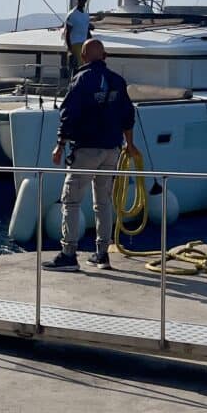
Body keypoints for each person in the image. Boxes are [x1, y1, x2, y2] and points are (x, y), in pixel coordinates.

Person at [44, 40, 138, 271]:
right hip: (112, 150)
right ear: (104, 56)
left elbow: (68, 113)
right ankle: (102, 254)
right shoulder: (117, 80)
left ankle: (68, 255)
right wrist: (130, 144)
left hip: (86, 149)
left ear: (84, 56)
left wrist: (59, 144)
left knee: (72, 201)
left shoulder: (81, 79)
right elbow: (128, 115)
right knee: (103, 202)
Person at [61, 0, 91, 68]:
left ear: (85, 0)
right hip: (75, 44)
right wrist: (70, 50)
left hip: (84, 44)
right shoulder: (72, 14)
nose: (81, 1)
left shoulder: (86, 15)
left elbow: (87, 32)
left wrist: (92, 43)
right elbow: (67, 33)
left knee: (86, 65)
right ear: (77, 0)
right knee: (80, 65)